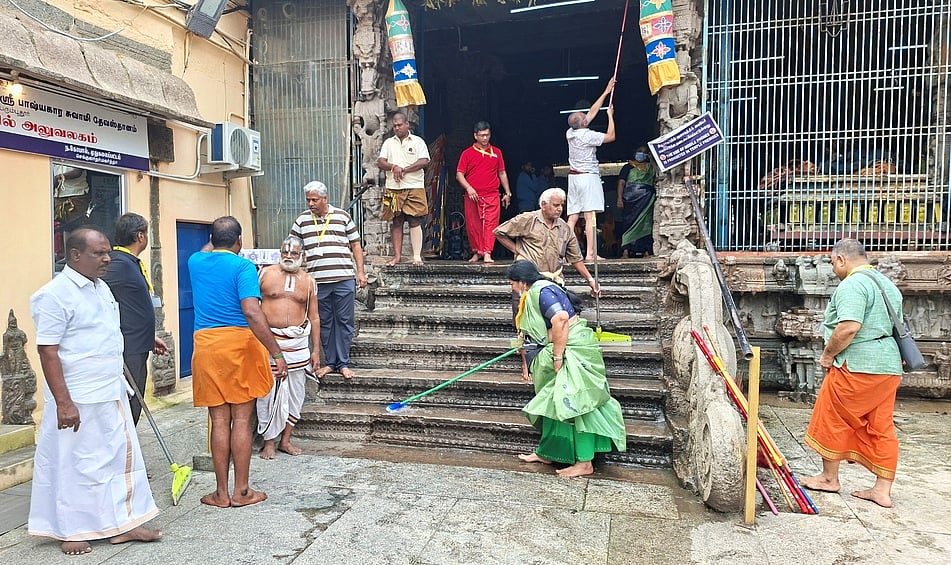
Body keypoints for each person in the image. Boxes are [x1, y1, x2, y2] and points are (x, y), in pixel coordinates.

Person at [29, 228, 161, 555]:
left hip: (110, 389)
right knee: (74, 463)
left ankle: (121, 525)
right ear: (75, 256)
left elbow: (106, 334)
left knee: (117, 458)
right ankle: (70, 530)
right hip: (77, 396)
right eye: (99, 254)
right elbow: (48, 350)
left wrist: (143, 341)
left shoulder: (101, 288)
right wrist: (63, 403)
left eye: (107, 253)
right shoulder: (54, 294)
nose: (107, 259)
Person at [188, 216, 287, 508]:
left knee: (219, 420)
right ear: (239, 242)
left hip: (206, 346)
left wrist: (218, 240)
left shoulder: (195, 261)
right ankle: (242, 491)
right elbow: (253, 312)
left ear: (212, 239)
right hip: (239, 346)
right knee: (241, 420)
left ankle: (220, 493)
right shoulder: (243, 266)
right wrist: (276, 353)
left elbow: (210, 248)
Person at [799, 238, 904, 508]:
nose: (834, 269)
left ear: (842, 259)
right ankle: (882, 490)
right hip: (888, 367)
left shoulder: (853, 285)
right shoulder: (887, 285)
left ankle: (829, 478)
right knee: (881, 426)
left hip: (857, 366)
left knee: (831, 416)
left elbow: (848, 327)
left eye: (833, 263)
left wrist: (828, 354)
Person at [507, 260, 627, 478]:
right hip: (558, 347)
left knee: (577, 405)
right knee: (554, 403)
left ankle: (584, 462)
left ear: (523, 282)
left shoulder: (540, 292)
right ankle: (548, 452)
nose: (512, 288)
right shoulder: (543, 288)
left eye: (512, 284)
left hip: (571, 350)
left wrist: (558, 355)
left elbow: (560, 319)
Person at [290, 181, 368, 380]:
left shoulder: (342, 216)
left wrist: (361, 272)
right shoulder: (301, 220)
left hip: (343, 279)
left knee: (344, 321)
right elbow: (293, 248)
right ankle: (330, 363)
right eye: (308, 200)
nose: (311, 203)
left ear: (325, 199)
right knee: (323, 322)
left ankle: (343, 363)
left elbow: (356, 245)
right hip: (317, 282)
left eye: (315, 199)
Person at [101, 213, 169, 425]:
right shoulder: (117, 264)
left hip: (139, 345)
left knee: (134, 405)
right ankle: (122, 453)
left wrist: (150, 337)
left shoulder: (130, 262)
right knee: (128, 406)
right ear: (140, 236)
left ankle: (128, 453)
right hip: (127, 348)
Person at [256, 235, 320, 459]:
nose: (289, 256)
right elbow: (252, 308)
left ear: (302, 255)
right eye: (285, 252)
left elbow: (314, 317)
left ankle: (285, 440)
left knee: (295, 393)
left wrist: (316, 351)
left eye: (293, 253)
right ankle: (269, 442)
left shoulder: (309, 281)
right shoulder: (264, 274)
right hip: (269, 343)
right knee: (267, 393)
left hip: (298, 344)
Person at [495, 188, 599, 290]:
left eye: (562, 205)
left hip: (554, 280)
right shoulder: (528, 219)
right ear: (544, 205)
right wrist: (517, 249)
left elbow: (576, 258)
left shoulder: (565, 228)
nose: (560, 209)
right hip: (527, 281)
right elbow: (499, 232)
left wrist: (590, 279)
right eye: (556, 205)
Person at [565, 78, 616, 262]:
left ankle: (562, 254)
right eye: (584, 117)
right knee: (589, 217)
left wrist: (605, 91)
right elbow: (611, 136)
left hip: (573, 178)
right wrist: (610, 115)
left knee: (572, 217)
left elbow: (591, 113)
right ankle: (590, 254)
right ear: (583, 123)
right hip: (588, 178)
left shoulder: (570, 133)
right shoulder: (588, 136)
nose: (587, 117)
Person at [377, 111, 431, 266]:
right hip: (393, 187)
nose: (397, 128)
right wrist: (393, 166)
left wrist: (404, 170)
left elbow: (424, 161)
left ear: (407, 124)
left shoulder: (417, 141)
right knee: (397, 221)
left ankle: (416, 257)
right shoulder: (388, 143)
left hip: (414, 186)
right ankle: (397, 257)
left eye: (400, 125)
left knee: (415, 220)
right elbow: (380, 162)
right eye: (394, 125)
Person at [456, 121, 512, 263]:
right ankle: (477, 252)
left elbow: (502, 173)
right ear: (475, 136)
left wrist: (507, 192)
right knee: (473, 225)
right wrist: (469, 188)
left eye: (487, 135)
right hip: (473, 195)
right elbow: (459, 175)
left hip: (492, 194)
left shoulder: (497, 152)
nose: (485, 138)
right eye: (482, 135)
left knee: (490, 224)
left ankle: (487, 252)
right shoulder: (467, 153)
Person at [615, 145, 657, 258]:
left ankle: (647, 251)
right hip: (630, 200)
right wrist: (619, 198)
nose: (641, 154)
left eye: (644, 152)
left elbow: (658, 175)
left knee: (646, 225)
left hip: (647, 200)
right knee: (628, 224)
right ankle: (626, 251)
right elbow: (621, 183)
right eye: (639, 151)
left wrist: (652, 159)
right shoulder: (627, 167)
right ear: (634, 153)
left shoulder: (650, 167)